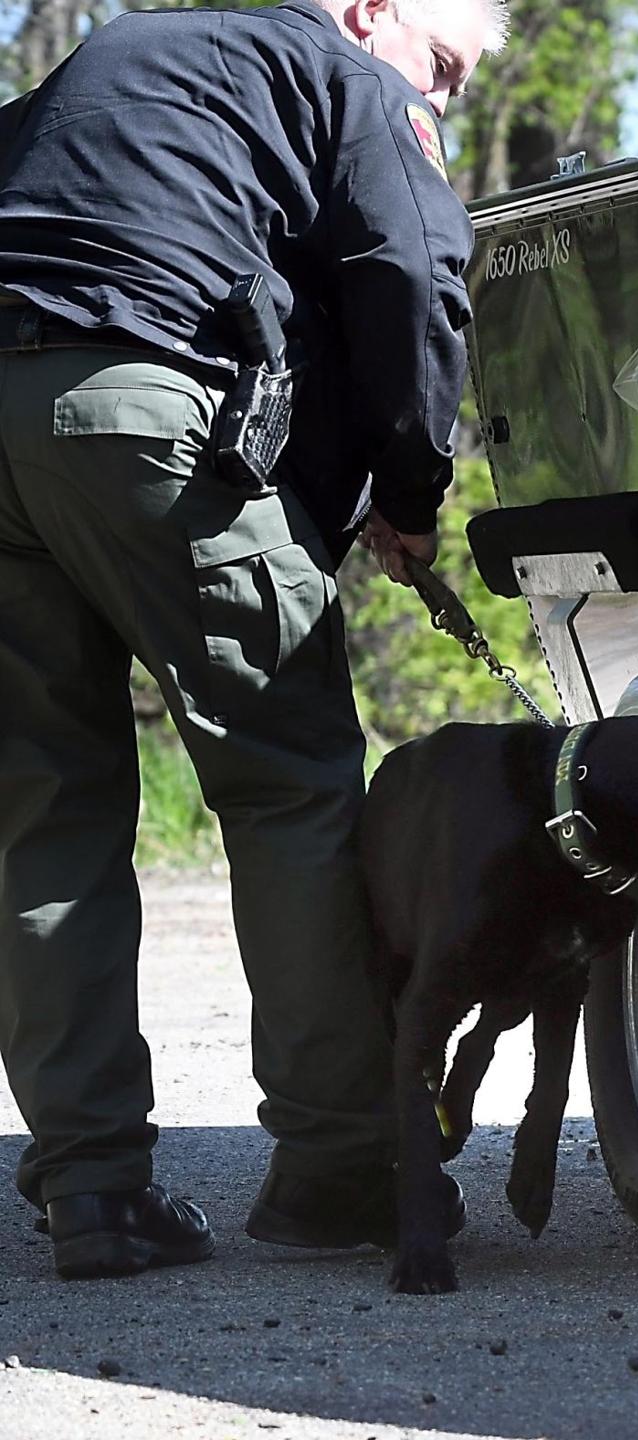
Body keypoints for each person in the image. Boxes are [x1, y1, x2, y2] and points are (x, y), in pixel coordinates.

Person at [0, 0, 506, 1279]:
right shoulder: (344, 73)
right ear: (373, 10)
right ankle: (342, 1161)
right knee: (291, 784)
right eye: (441, 67)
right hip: (144, 398)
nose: (440, 102)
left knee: (43, 804)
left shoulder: (124, 53)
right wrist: (411, 491)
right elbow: (414, 271)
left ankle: (92, 1189)